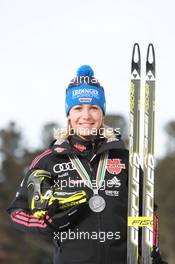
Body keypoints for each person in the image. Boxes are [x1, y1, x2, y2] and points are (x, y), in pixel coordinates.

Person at [7, 65, 167, 264]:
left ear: (102, 112)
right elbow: (16, 212)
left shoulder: (125, 159)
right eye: (78, 108)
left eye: (94, 107)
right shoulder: (48, 161)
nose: (86, 116)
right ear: (69, 114)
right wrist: (47, 223)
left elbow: (146, 211)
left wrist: (150, 249)